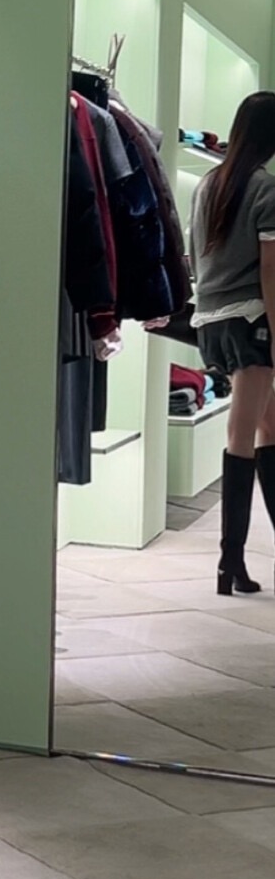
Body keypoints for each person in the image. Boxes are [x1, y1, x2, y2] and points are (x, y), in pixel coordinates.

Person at [190, 90, 275, 597]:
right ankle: (230, 564)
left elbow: (195, 253)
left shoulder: (208, 184)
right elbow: (271, 272)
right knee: (242, 437)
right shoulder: (265, 188)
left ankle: (234, 562)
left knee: (269, 427)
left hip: (211, 321)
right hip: (251, 322)